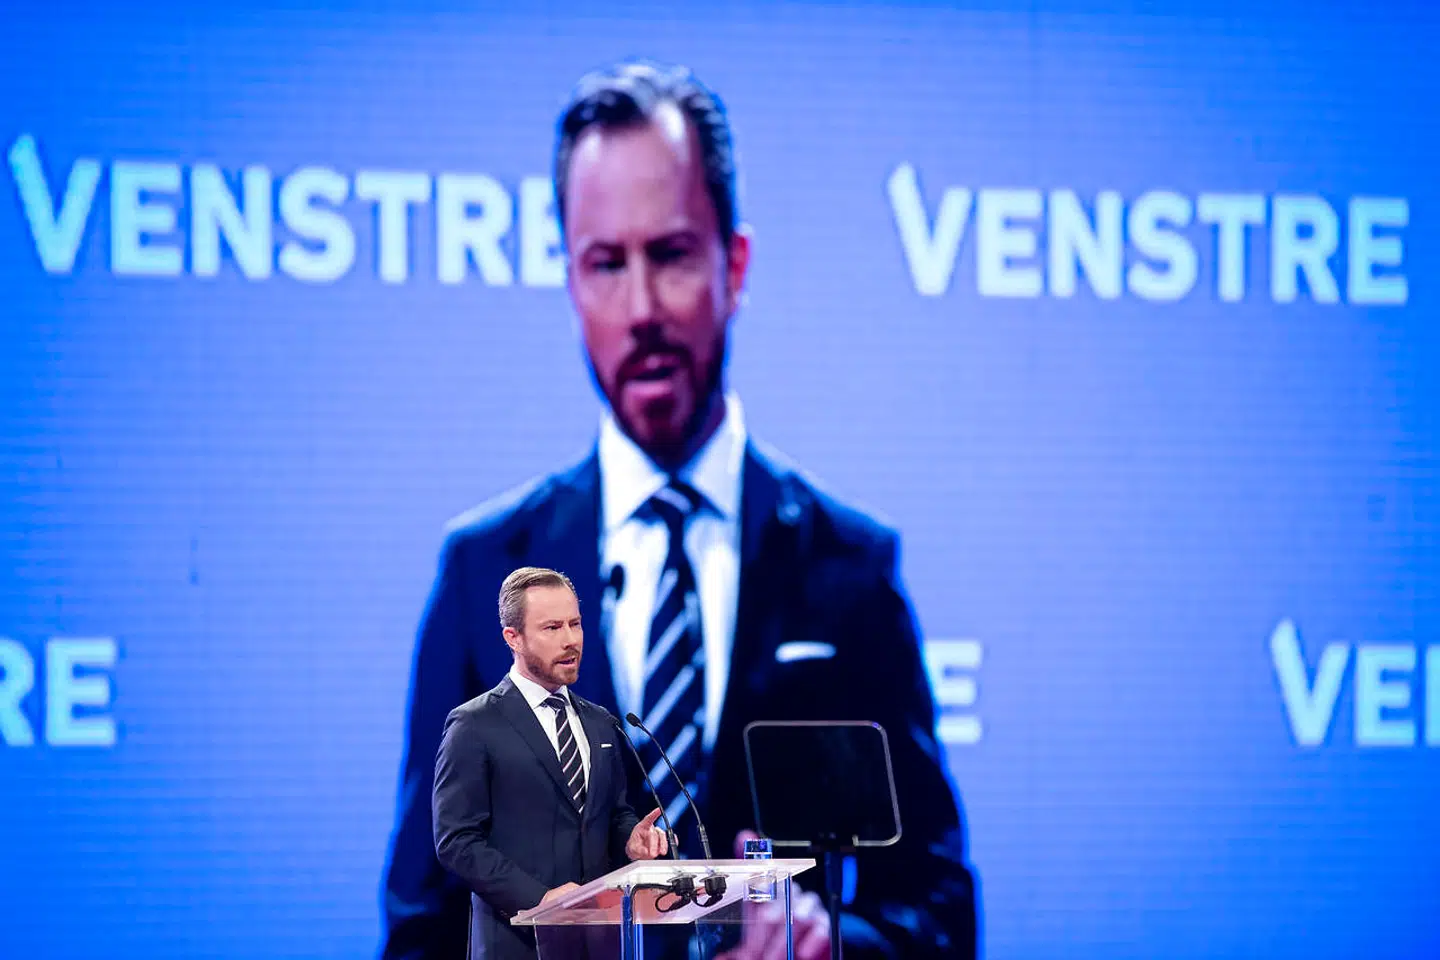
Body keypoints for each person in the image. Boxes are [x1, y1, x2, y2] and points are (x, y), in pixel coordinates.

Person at [382, 60, 978, 960]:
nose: (642, 308)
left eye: (671, 256)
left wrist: (832, 947)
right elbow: (422, 930)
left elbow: (939, 916)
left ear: (733, 266)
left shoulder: (848, 571)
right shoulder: (483, 575)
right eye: (605, 264)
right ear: (571, 283)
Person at [432, 566, 670, 960]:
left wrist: (630, 839)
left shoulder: (600, 722)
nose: (571, 640)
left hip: (601, 944)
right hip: (518, 945)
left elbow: (613, 814)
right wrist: (540, 900)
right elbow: (456, 841)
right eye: (552, 628)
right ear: (514, 638)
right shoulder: (475, 724)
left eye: (575, 624)